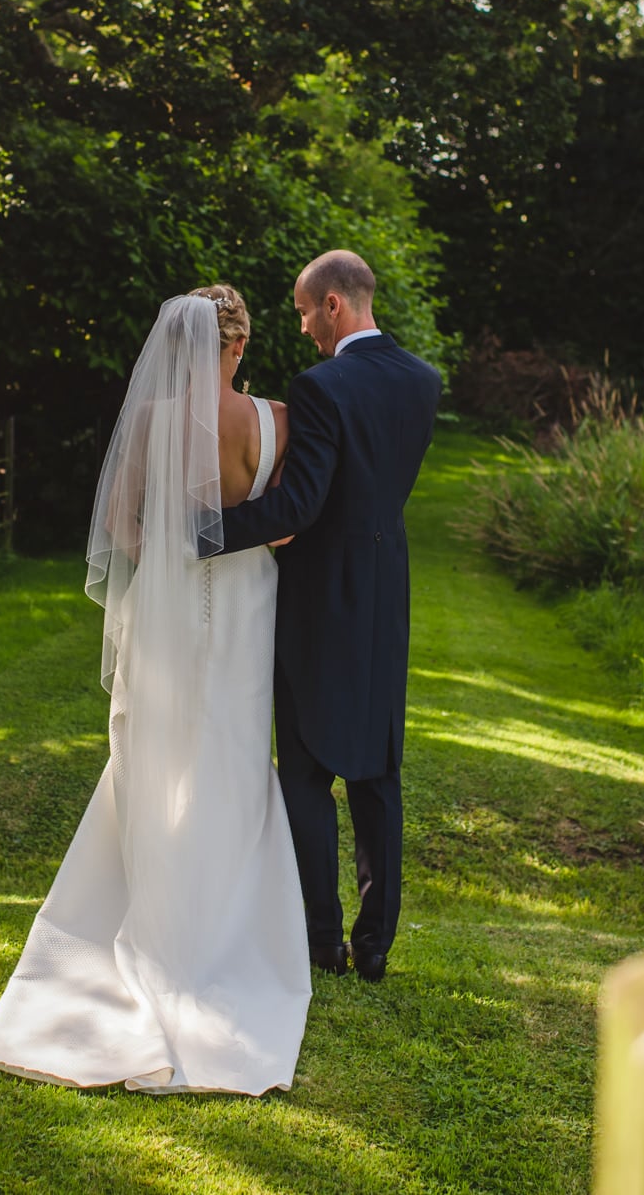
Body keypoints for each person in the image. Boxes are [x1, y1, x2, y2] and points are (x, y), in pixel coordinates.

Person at [0, 286, 311, 1095]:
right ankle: (223, 931)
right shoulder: (277, 418)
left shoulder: (151, 420)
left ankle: (142, 903)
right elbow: (287, 525)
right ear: (239, 345)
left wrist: (164, 556)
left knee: (155, 746)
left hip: (164, 607)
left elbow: (121, 529)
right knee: (228, 745)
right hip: (246, 608)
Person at [206, 249, 442, 982]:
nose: (304, 328)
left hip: (316, 598)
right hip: (385, 593)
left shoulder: (320, 386)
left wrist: (200, 532)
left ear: (333, 305)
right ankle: (374, 946)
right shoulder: (422, 381)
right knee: (378, 773)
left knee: (305, 773)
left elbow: (299, 506)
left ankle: (322, 943)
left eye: (307, 312)